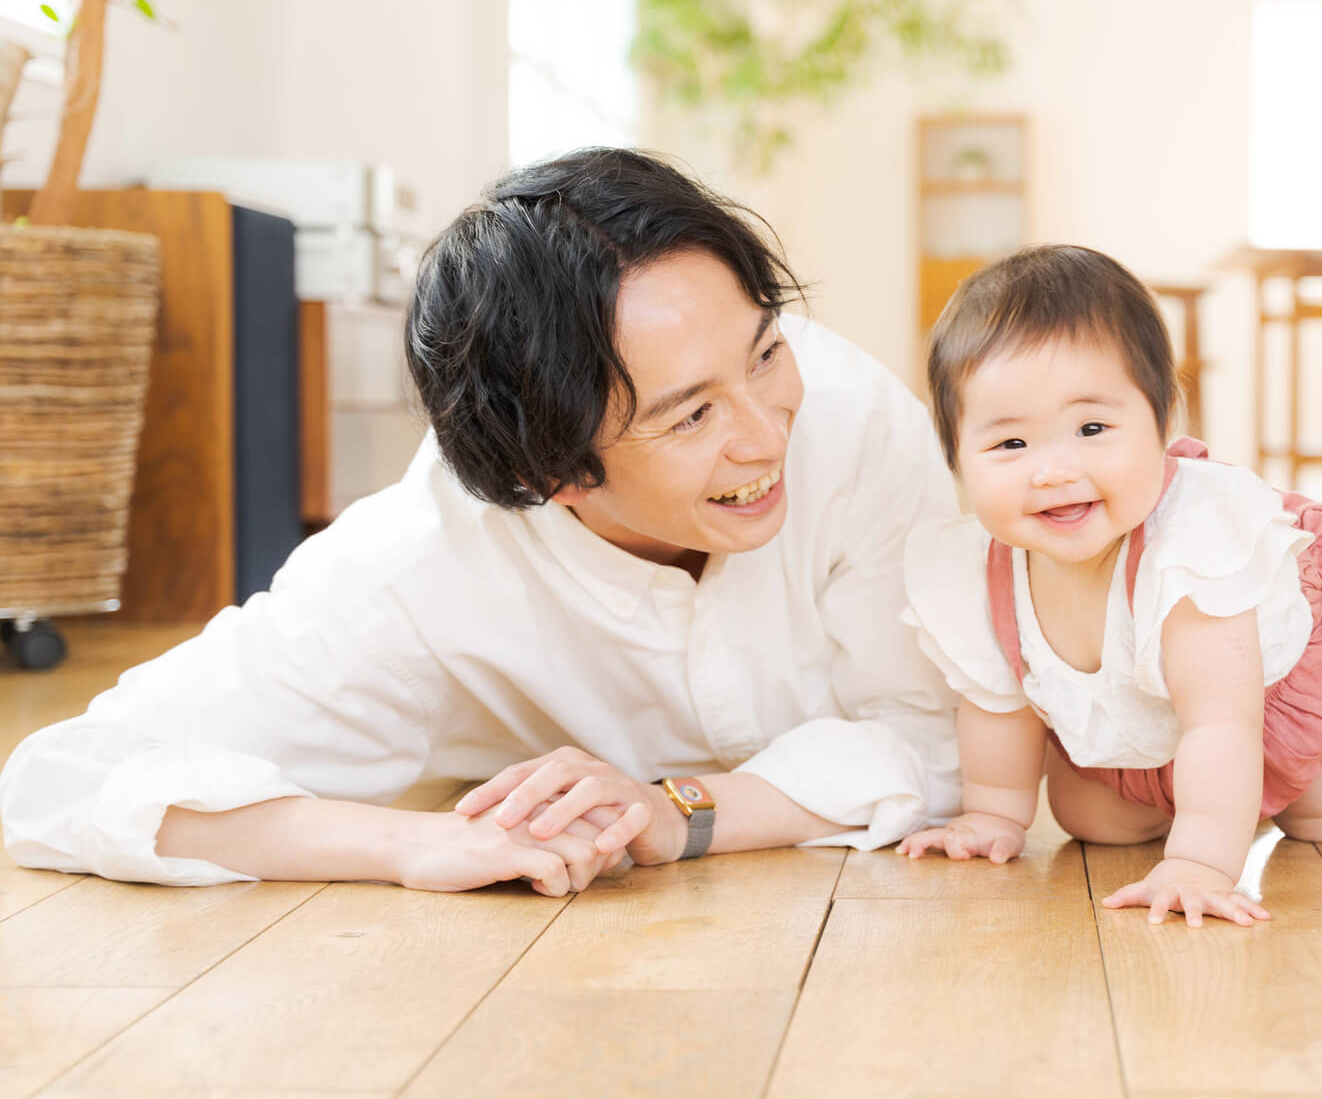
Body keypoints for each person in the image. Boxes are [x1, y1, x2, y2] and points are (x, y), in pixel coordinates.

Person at [0, 147, 960, 894]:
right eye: (691, 416)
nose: (765, 435)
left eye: (763, 353)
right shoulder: (419, 566)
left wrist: (682, 811)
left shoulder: (854, 421)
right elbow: (60, 783)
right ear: (553, 471)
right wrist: (416, 841)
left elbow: (944, 736)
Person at [896, 245, 1322, 926]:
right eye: (1009, 445)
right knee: (1089, 816)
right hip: (1157, 728)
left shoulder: (1194, 546)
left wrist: (1200, 861)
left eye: (1091, 428)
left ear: (1166, 421)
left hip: (1272, 700)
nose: (1052, 469)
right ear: (957, 455)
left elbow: (1222, 720)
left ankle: (1234, 807)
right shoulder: (979, 570)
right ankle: (1217, 803)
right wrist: (991, 814)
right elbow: (999, 706)